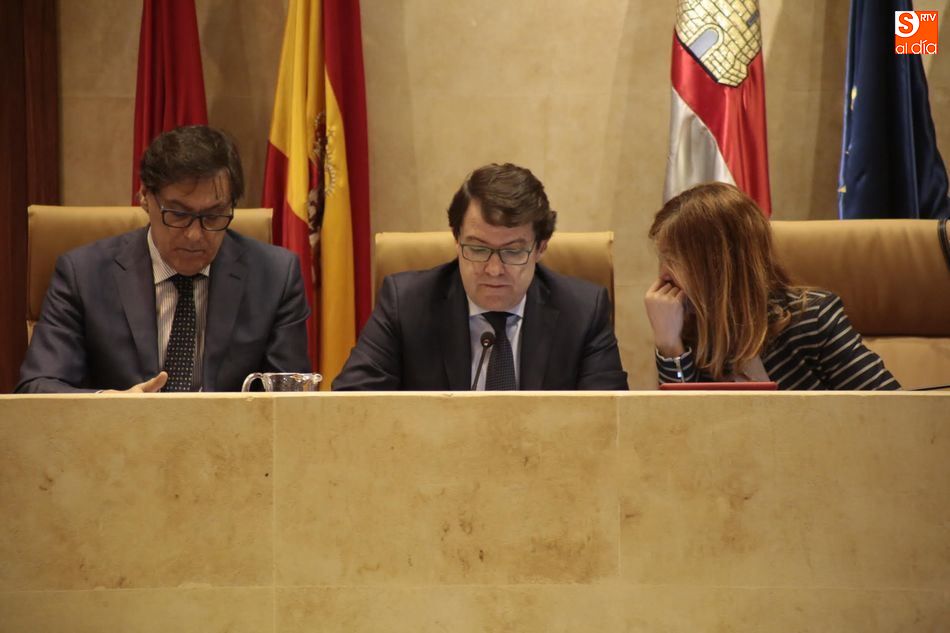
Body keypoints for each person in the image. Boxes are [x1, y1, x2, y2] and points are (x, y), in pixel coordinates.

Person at [16, 125, 310, 393]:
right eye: (179, 214)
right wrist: (107, 403)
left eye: (213, 215)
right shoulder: (83, 275)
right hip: (120, 445)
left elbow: (288, 400)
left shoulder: (276, 277)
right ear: (145, 197)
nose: (195, 235)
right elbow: (38, 387)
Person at [333, 163, 628, 390]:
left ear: (540, 248)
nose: (493, 269)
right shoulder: (406, 304)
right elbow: (353, 407)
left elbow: (609, 425)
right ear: (456, 240)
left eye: (513, 252)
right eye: (477, 248)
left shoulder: (583, 312)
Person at [644, 182, 900, 390]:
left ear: (718, 266)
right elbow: (681, 432)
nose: (663, 275)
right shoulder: (688, 331)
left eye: (674, 260)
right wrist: (670, 348)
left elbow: (887, 410)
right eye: (662, 260)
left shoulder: (811, 318)